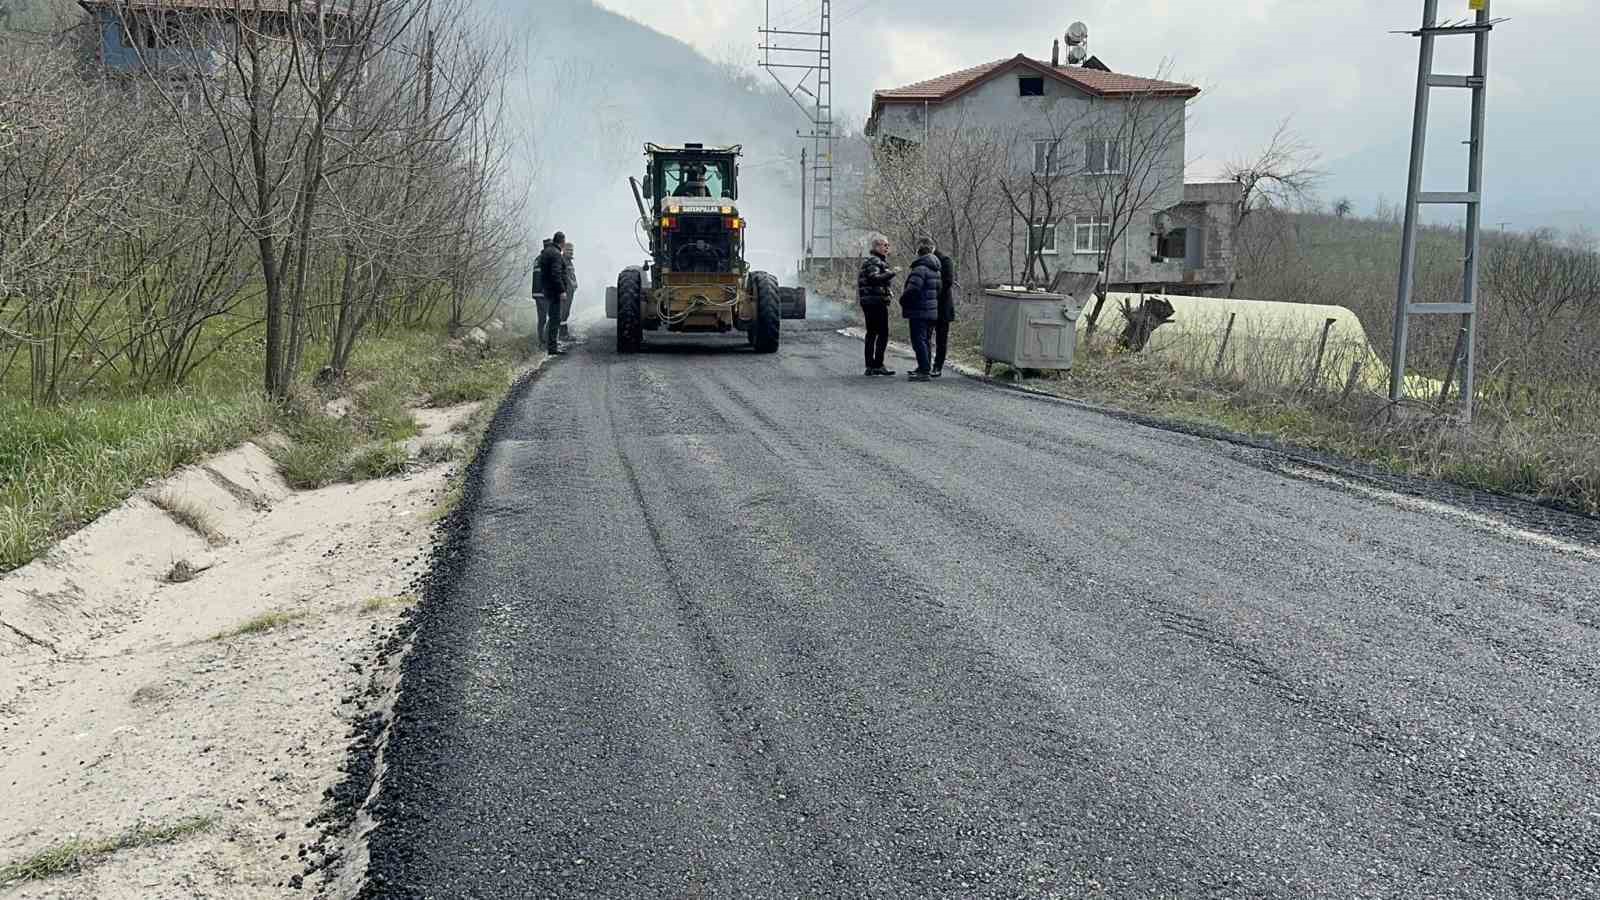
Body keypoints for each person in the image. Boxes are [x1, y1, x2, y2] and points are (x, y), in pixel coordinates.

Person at [899, 237, 941, 382]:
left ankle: (924, 370)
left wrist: (903, 300)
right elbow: (938, 290)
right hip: (932, 311)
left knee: (919, 340)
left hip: (919, 311)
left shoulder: (920, 268)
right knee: (926, 340)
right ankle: (924, 366)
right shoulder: (935, 269)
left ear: (919, 251)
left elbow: (913, 290)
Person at [856, 234, 898, 377]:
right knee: (881, 333)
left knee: (872, 334)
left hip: (871, 301)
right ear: (876, 247)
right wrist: (892, 273)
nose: (887, 248)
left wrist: (887, 290)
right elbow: (874, 279)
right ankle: (877, 364)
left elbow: (874, 281)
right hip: (875, 303)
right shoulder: (874, 261)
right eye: (884, 245)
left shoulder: (873, 261)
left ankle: (871, 366)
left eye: (888, 245)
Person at [536, 231, 568, 355]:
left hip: (547, 290)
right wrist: (561, 290)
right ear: (562, 242)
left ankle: (550, 345)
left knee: (552, 318)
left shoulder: (547, 252)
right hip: (554, 292)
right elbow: (556, 274)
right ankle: (552, 348)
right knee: (555, 319)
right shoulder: (556, 254)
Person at [931, 240, 956, 377]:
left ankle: (938, 365)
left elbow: (947, 282)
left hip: (942, 305)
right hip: (928, 305)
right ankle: (924, 364)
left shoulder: (945, 260)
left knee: (941, 338)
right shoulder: (924, 260)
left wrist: (933, 294)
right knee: (926, 337)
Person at [559, 240, 577, 342]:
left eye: (572, 250)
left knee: (566, 313)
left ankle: (563, 334)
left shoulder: (569, 261)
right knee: (563, 313)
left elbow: (571, 276)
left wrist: (575, 284)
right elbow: (563, 277)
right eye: (568, 250)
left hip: (570, 292)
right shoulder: (562, 260)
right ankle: (562, 334)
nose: (571, 252)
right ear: (563, 250)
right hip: (565, 292)